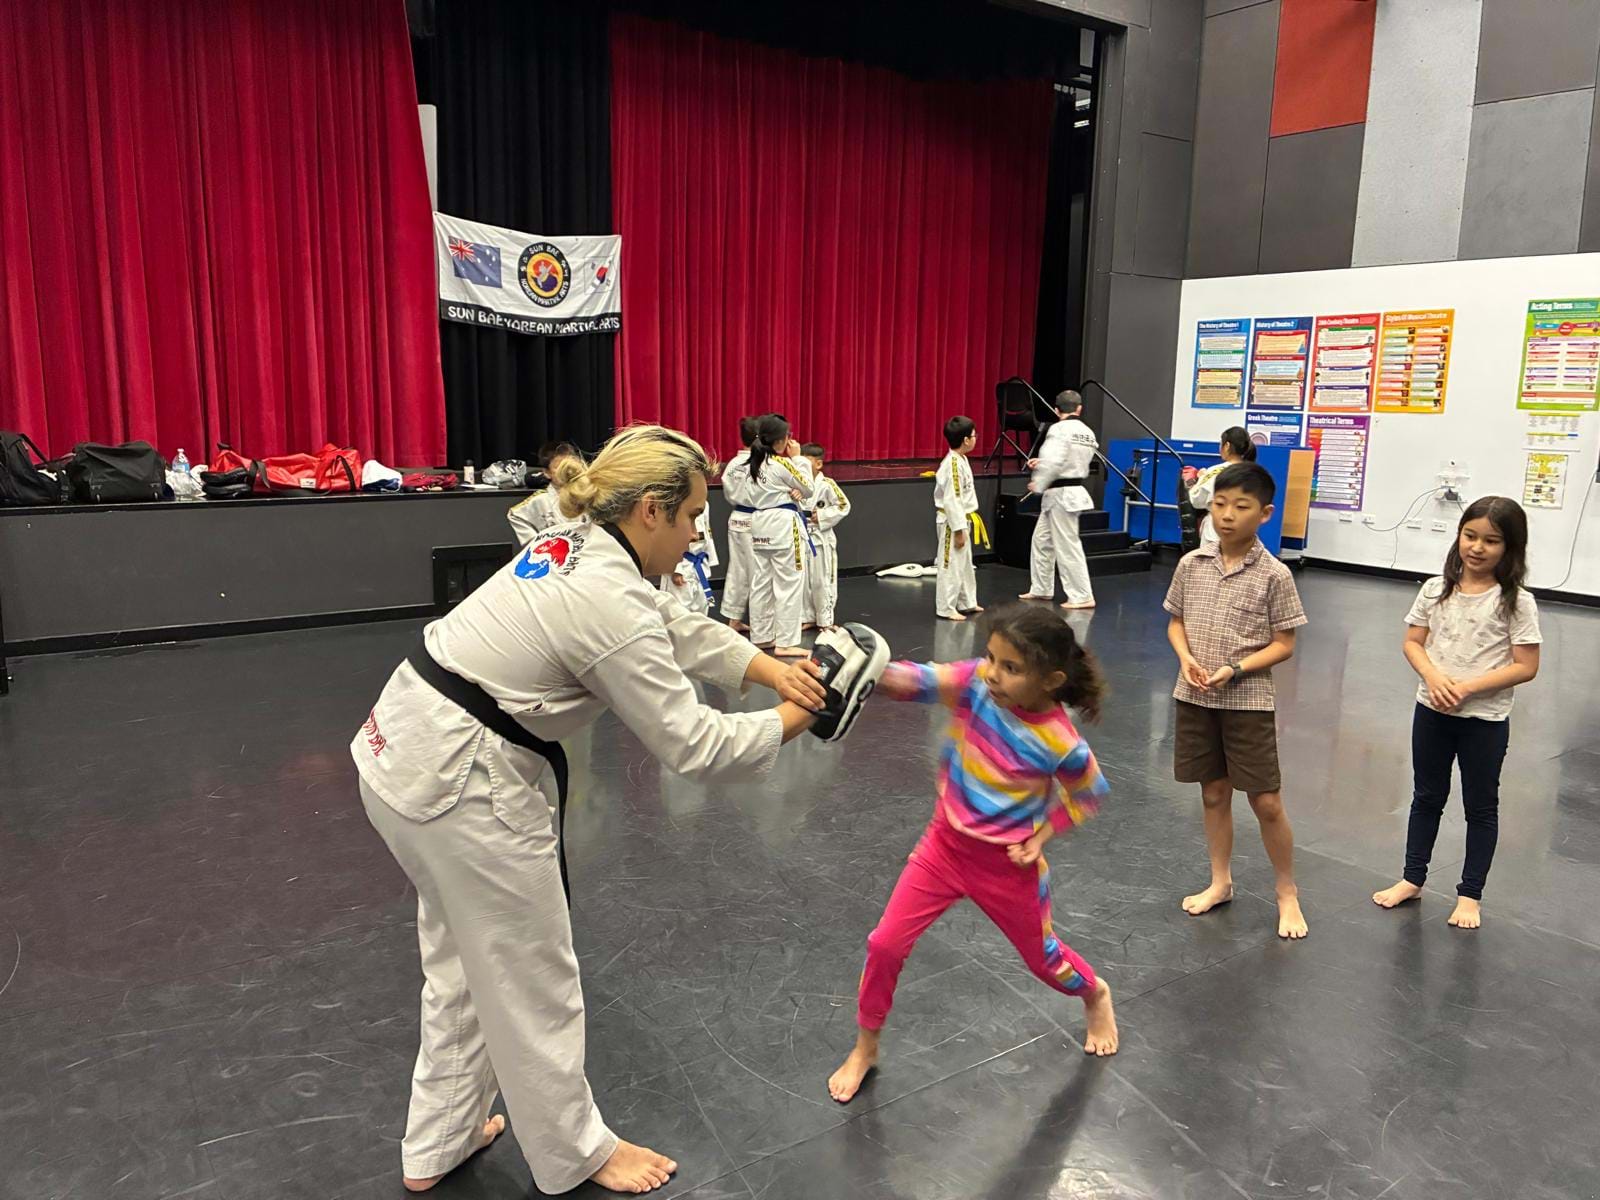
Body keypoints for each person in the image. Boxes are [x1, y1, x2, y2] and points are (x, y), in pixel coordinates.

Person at [353, 425, 847, 1196]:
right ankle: (577, 1152)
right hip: (457, 779)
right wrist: (805, 716)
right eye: (688, 518)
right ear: (650, 510)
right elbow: (696, 745)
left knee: (462, 963)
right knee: (528, 969)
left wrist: (766, 670)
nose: (693, 536)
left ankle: (439, 1141)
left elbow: (673, 625)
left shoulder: (583, 541)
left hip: (400, 749)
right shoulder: (606, 595)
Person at [826, 604, 1119, 1104]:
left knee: (1045, 961)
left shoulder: (1061, 743)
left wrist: (1043, 834)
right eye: (990, 658)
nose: (993, 674)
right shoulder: (974, 686)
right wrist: (863, 671)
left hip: (1005, 867)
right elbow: (914, 681)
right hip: (944, 846)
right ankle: (866, 1048)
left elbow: (1089, 794)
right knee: (885, 945)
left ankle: (1094, 992)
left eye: (1011, 667)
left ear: (1051, 680)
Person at [1372, 497, 1540, 929]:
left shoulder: (1515, 601)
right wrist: (1434, 678)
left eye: (1491, 540)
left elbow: (1526, 665)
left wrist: (1466, 687)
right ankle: (1412, 878)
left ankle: (1470, 894)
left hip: (1484, 721)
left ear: (1510, 547)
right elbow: (1413, 641)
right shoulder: (1435, 589)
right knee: (1426, 796)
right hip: (1432, 711)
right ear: (1459, 536)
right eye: (1470, 536)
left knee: (1480, 805)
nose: (1478, 548)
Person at [1164, 462, 1309, 940]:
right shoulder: (1192, 564)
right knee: (1212, 792)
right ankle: (1220, 881)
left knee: (1266, 801)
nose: (1227, 515)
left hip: (1247, 699)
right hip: (1196, 695)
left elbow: (1284, 643)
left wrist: (1238, 668)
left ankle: (1286, 891)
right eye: (1220, 505)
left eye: (1241, 507)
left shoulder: (1275, 574)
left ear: (1264, 513)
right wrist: (1185, 658)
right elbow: (1175, 622)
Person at [1019, 390, 1099, 609]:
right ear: (1079, 408)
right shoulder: (1087, 432)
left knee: (1067, 545)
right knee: (1042, 541)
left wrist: (1039, 481)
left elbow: (1054, 461)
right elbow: (1070, 460)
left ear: (1056, 410)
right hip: (1069, 490)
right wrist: (1043, 464)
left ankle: (1082, 595)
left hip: (1061, 494)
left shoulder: (1059, 429)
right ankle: (1041, 588)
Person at [745, 414, 814, 657]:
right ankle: (786, 641)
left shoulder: (751, 464)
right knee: (789, 584)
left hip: (759, 524)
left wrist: (789, 490)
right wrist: (799, 460)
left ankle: (762, 635)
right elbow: (808, 487)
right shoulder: (780, 463)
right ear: (781, 440)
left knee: (762, 582)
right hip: (783, 526)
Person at [934, 416, 984, 621]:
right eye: (974, 435)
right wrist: (958, 529)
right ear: (965, 440)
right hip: (951, 522)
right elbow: (952, 500)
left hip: (964, 518)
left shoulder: (961, 460)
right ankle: (946, 607)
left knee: (964, 562)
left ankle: (966, 601)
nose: (976, 438)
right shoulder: (952, 465)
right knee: (950, 565)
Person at [1180, 427, 1255, 550]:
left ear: (1227, 445)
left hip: (1218, 529)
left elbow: (1197, 500)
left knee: (1211, 567)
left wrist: (1197, 481)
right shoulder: (1253, 472)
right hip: (1243, 529)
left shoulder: (1216, 471)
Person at [801, 442, 850, 629]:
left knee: (822, 579)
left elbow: (844, 506)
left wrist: (821, 515)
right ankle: (807, 617)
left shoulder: (827, 484)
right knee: (804, 581)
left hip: (821, 538)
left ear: (818, 464)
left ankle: (825, 620)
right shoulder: (796, 484)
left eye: (807, 463)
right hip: (803, 536)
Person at [719, 416, 761, 634]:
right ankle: (760, 621)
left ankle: (734, 618)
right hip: (754, 521)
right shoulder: (759, 464)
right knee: (757, 572)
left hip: (736, 517)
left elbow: (728, 492)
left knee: (738, 570)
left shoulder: (733, 465)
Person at [508, 442, 585, 544]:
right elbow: (515, 514)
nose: (567, 472)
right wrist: (537, 543)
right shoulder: (541, 500)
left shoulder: (588, 494)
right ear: (547, 472)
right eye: (559, 468)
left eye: (570, 467)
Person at [660, 507, 719, 615]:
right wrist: (675, 568)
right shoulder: (672, 502)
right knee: (677, 610)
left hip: (699, 564)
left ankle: (701, 630)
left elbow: (707, 531)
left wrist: (709, 559)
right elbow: (667, 535)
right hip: (681, 564)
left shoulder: (704, 504)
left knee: (702, 605)